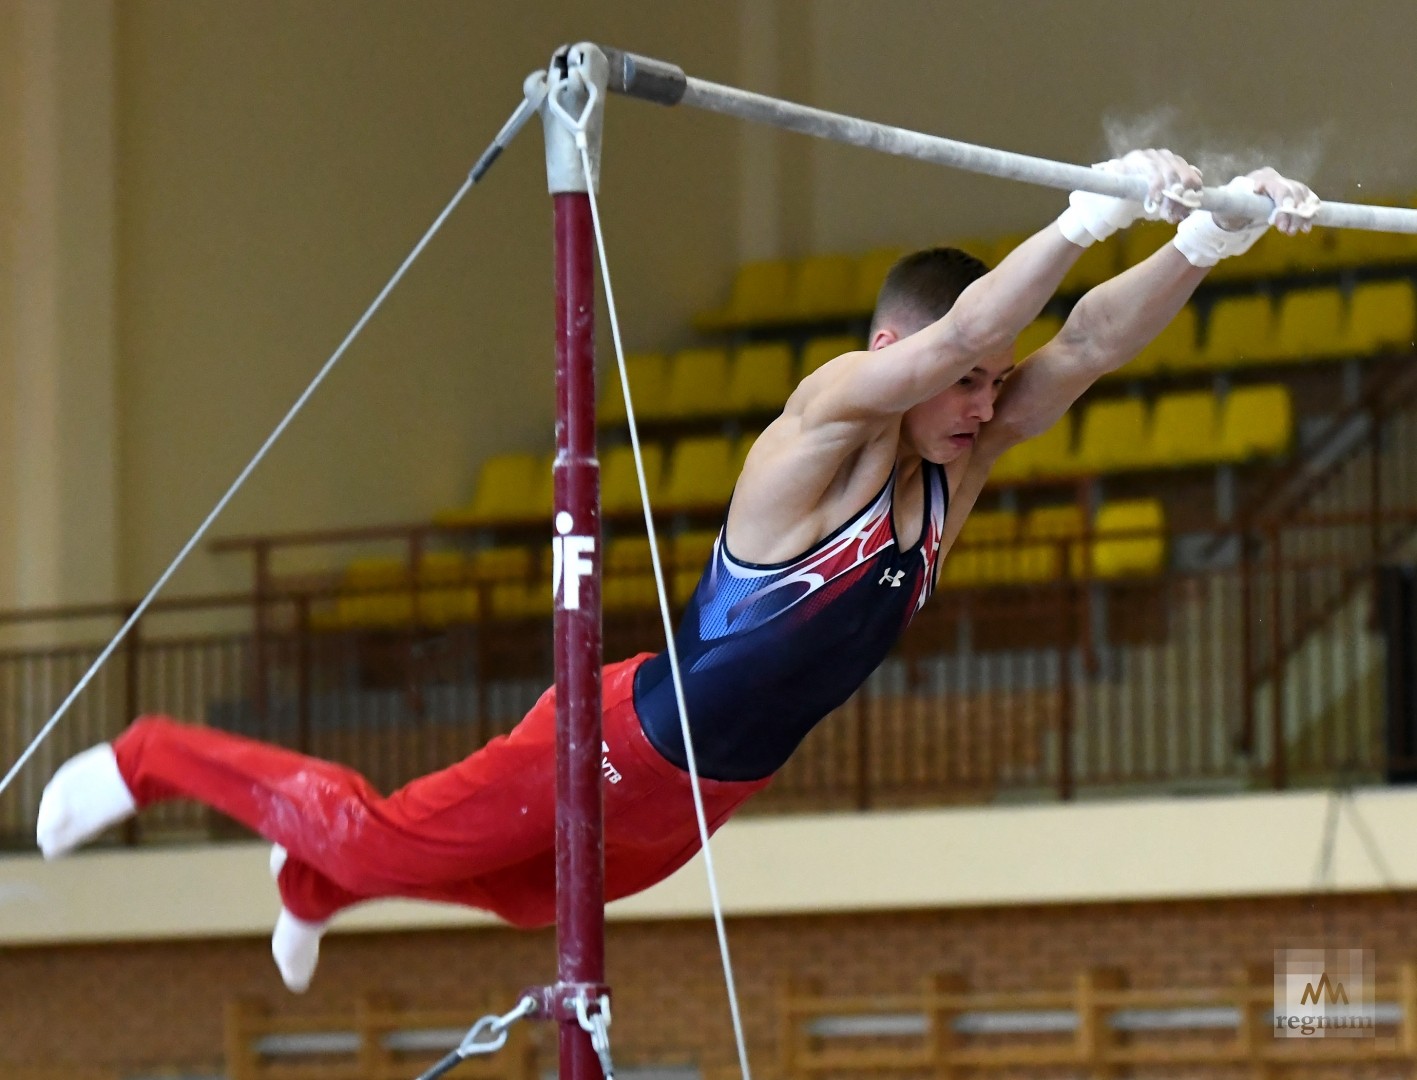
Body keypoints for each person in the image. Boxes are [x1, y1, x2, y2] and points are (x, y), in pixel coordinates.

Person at [34, 150, 1319, 991]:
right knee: (391, 834)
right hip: (618, 737)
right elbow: (976, 333)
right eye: (966, 382)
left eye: (990, 391)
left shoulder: (956, 466)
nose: (984, 406)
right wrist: (1083, 212)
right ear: (893, 350)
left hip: (718, 783)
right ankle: (145, 757)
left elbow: (1083, 342)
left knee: (535, 904)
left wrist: (1207, 239)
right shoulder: (821, 435)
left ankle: (318, 879)